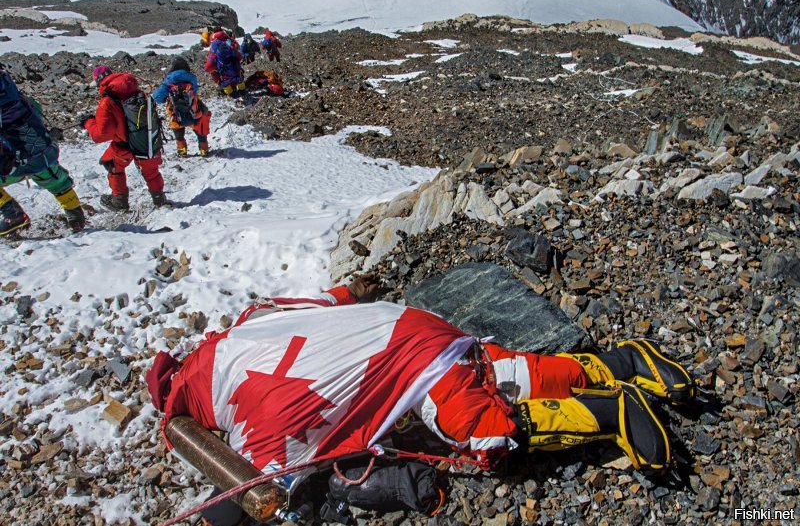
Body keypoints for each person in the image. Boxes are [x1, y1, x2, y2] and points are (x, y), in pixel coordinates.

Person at [147, 274, 694, 511]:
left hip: (414, 371)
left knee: (488, 437)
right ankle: (623, 361)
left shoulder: (251, 416)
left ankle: (607, 410)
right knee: (504, 373)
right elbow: (323, 301)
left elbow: (277, 483)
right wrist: (353, 290)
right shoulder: (247, 323)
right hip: (415, 324)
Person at [0, 67, 85, 236]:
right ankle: (75, 215)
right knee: (55, 180)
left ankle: (13, 216)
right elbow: (36, 108)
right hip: (42, 149)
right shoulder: (13, 92)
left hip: (12, 159)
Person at [83, 66, 168, 211]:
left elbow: (101, 134)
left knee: (112, 165)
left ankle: (119, 200)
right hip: (145, 140)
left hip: (123, 145)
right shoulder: (136, 91)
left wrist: (88, 123)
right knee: (151, 172)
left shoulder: (107, 101)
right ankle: (159, 199)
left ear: (99, 82)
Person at [152, 56, 213, 157]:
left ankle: (182, 150)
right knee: (201, 124)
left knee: (177, 129)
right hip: (194, 112)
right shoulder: (192, 78)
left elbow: (157, 98)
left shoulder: (168, 81)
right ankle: (204, 149)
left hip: (176, 114)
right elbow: (196, 91)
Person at [204, 31, 245, 96]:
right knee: (239, 76)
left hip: (225, 78)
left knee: (215, 73)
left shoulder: (214, 51)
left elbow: (207, 68)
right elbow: (240, 57)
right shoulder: (230, 46)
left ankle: (231, 93)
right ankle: (242, 91)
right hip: (237, 75)